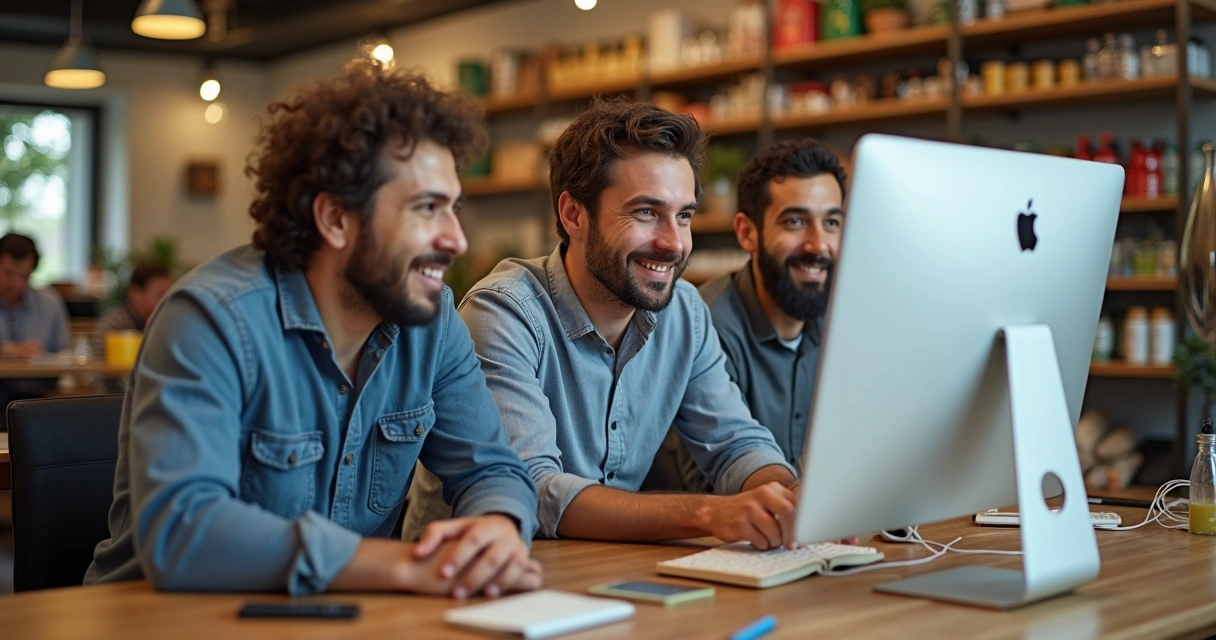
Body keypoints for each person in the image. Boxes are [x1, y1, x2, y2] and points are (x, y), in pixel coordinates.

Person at [85, 61, 542, 599]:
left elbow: (492, 469)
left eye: (454, 209)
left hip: (339, 617)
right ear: (336, 219)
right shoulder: (211, 317)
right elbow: (184, 531)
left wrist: (498, 527)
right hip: (164, 621)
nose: (457, 240)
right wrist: (399, 567)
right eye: (427, 208)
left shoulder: (433, 320)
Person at [406, 98, 801, 551]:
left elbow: (735, 443)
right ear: (574, 214)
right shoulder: (504, 312)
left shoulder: (684, 312)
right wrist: (709, 513)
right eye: (646, 213)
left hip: (606, 573)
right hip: (467, 586)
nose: (673, 243)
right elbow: (534, 489)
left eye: (684, 215)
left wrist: (787, 499)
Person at [676, 139, 846, 492]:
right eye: (796, 221)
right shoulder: (705, 327)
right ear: (747, 233)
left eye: (831, 222)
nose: (818, 245)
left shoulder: (846, 324)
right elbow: (709, 483)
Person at [0, 232, 69, 358]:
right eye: (9, 274)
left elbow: (63, 353)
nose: (16, 284)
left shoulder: (49, 304)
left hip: (39, 377)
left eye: (24, 276)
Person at [95, 261, 174, 337]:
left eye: (170, 293)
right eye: (161, 294)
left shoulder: (168, 323)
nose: (167, 300)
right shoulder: (114, 325)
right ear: (136, 295)